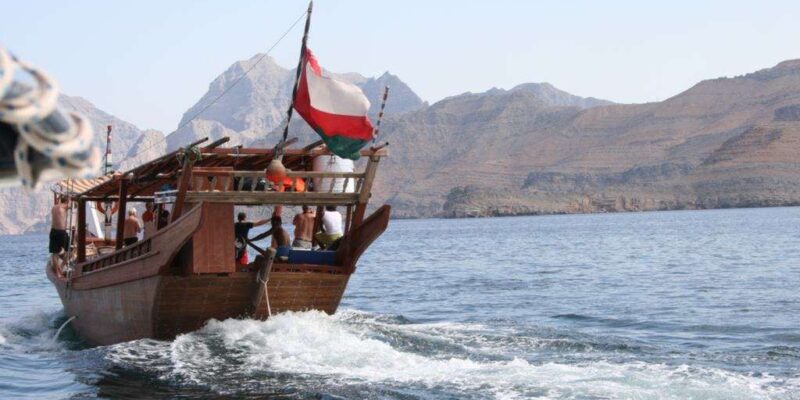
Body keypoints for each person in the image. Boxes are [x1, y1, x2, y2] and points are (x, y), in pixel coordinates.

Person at [49, 196, 70, 273]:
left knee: (55, 253)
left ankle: (57, 273)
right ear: (67, 201)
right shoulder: (65, 206)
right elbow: (73, 205)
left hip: (53, 231)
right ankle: (61, 267)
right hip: (61, 232)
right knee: (71, 250)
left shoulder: (54, 207)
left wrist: (60, 198)